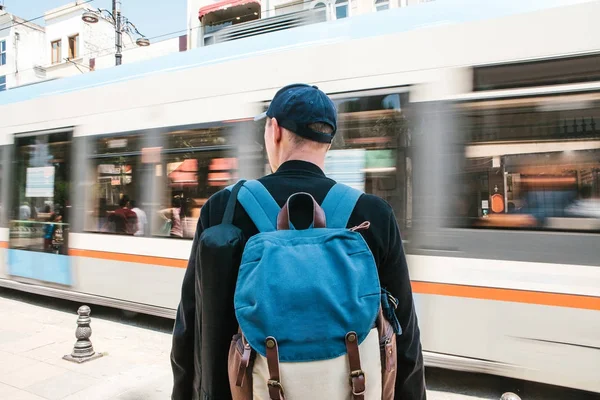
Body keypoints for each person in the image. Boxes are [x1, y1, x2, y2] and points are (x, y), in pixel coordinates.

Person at [170, 84, 426, 399]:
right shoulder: (372, 214)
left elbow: (190, 326)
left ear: (274, 130)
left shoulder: (224, 209)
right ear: (328, 141)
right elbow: (405, 334)